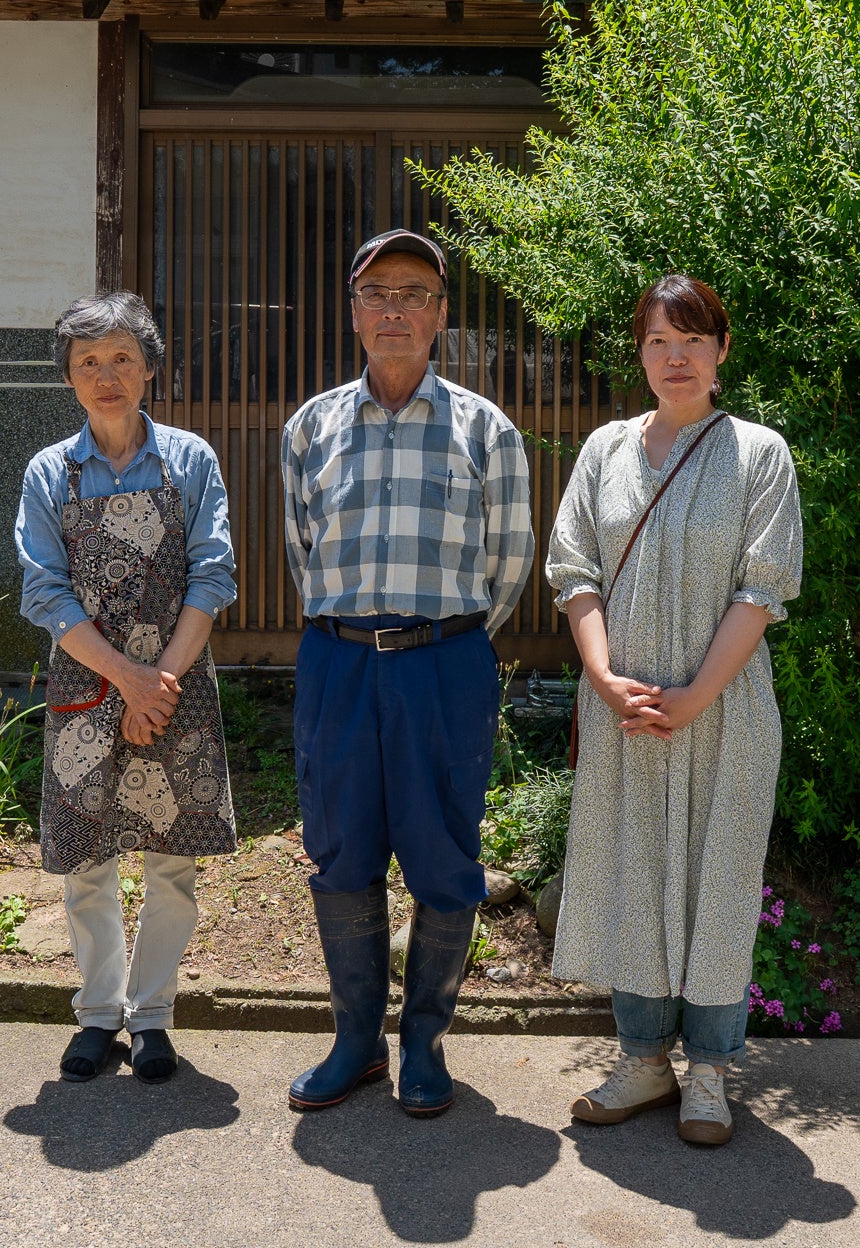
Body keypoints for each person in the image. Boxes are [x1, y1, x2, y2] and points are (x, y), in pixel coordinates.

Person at [280, 229, 534, 1117]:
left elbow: (509, 564)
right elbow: (303, 551)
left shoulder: (486, 431)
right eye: (377, 292)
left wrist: (446, 643)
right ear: (353, 312)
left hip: (444, 667)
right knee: (340, 852)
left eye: (414, 293)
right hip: (339, 663)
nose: (395, 309)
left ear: (440, 314)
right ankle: (356, 1042)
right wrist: (355, 633)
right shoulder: (310, 427)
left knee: (444, 856)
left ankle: (424, 1040)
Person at [548, 275, 801, 1148]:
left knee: (718, 879)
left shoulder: (759, 454)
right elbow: (574, 570)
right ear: (641, 353)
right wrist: (601, 674)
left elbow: (763, 589)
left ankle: (710, 1075)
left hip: (724, 712)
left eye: (693, 339)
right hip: (625, 710)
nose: (676, 357)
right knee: (634, 875)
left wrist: (694, 696)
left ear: (722, 350)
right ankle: (643, 1061)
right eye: (659, 340)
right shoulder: (605, 450)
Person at [15, 289, 240, 1084]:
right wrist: (130, 681)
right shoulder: (52, 471)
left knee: (172, 860)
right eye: (88, 362)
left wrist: (159, 683)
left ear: (149, 369)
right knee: (88, 860)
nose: (105, 376)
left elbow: (213, 575)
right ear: (68, 377)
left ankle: (152, 1017)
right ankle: (97, 1013)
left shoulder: (191, 460)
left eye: (121, 358)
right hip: (87, 683)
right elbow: (45, 591)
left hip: (177, 684)